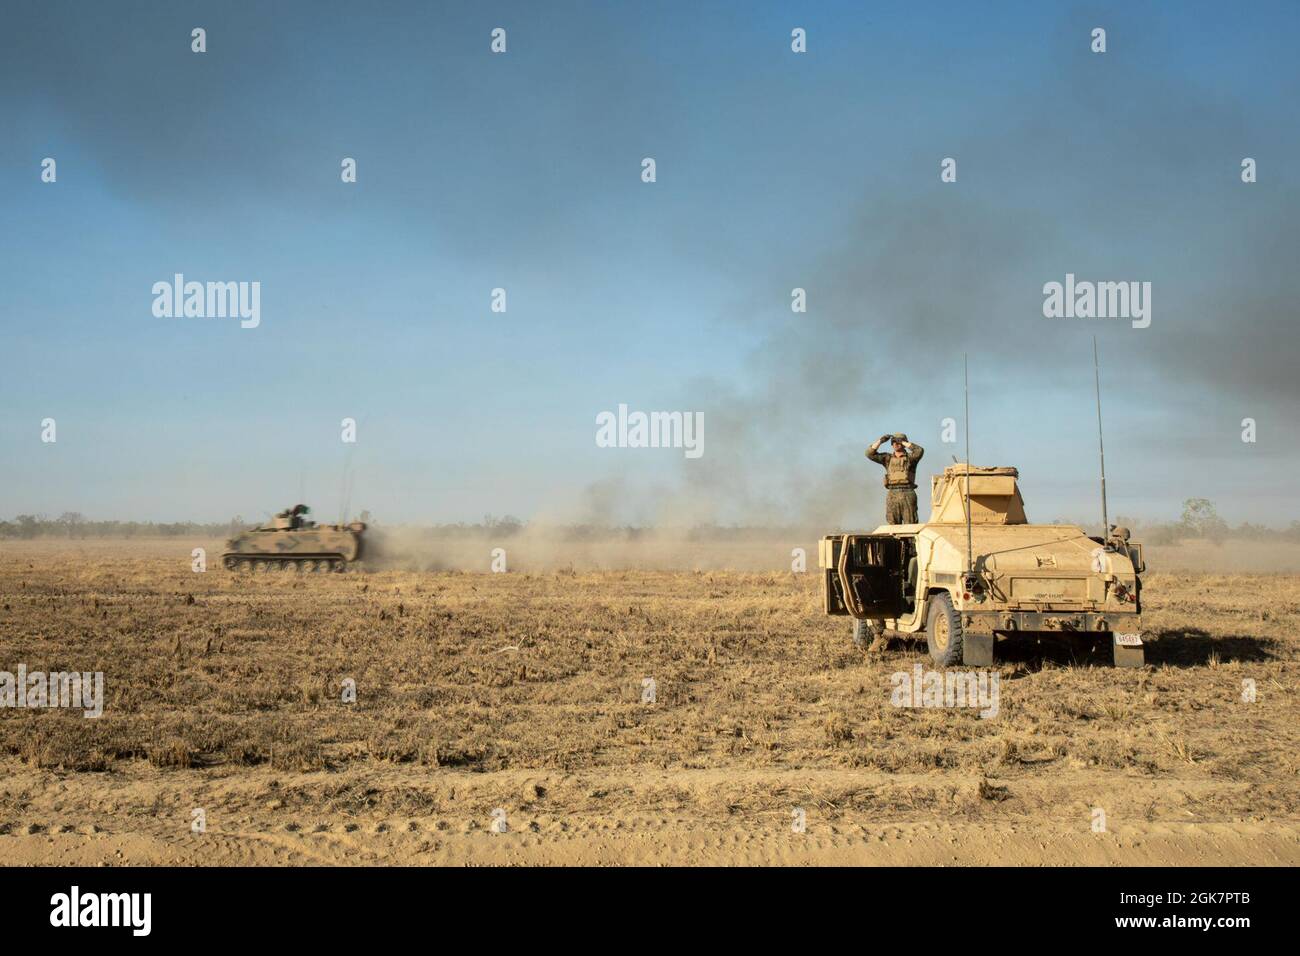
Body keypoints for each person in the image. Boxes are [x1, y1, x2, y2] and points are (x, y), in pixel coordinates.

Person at [866, 433, 925, 524]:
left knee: (910, 524)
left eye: (898, 442)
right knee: (893, 525)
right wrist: (880, 441)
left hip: (908, 493)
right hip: (892, 494)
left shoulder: (911, 458)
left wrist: (903, 442)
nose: (896, 444)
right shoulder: (887, 458)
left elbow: (919, 451)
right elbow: (869, 454)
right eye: (893, 442)